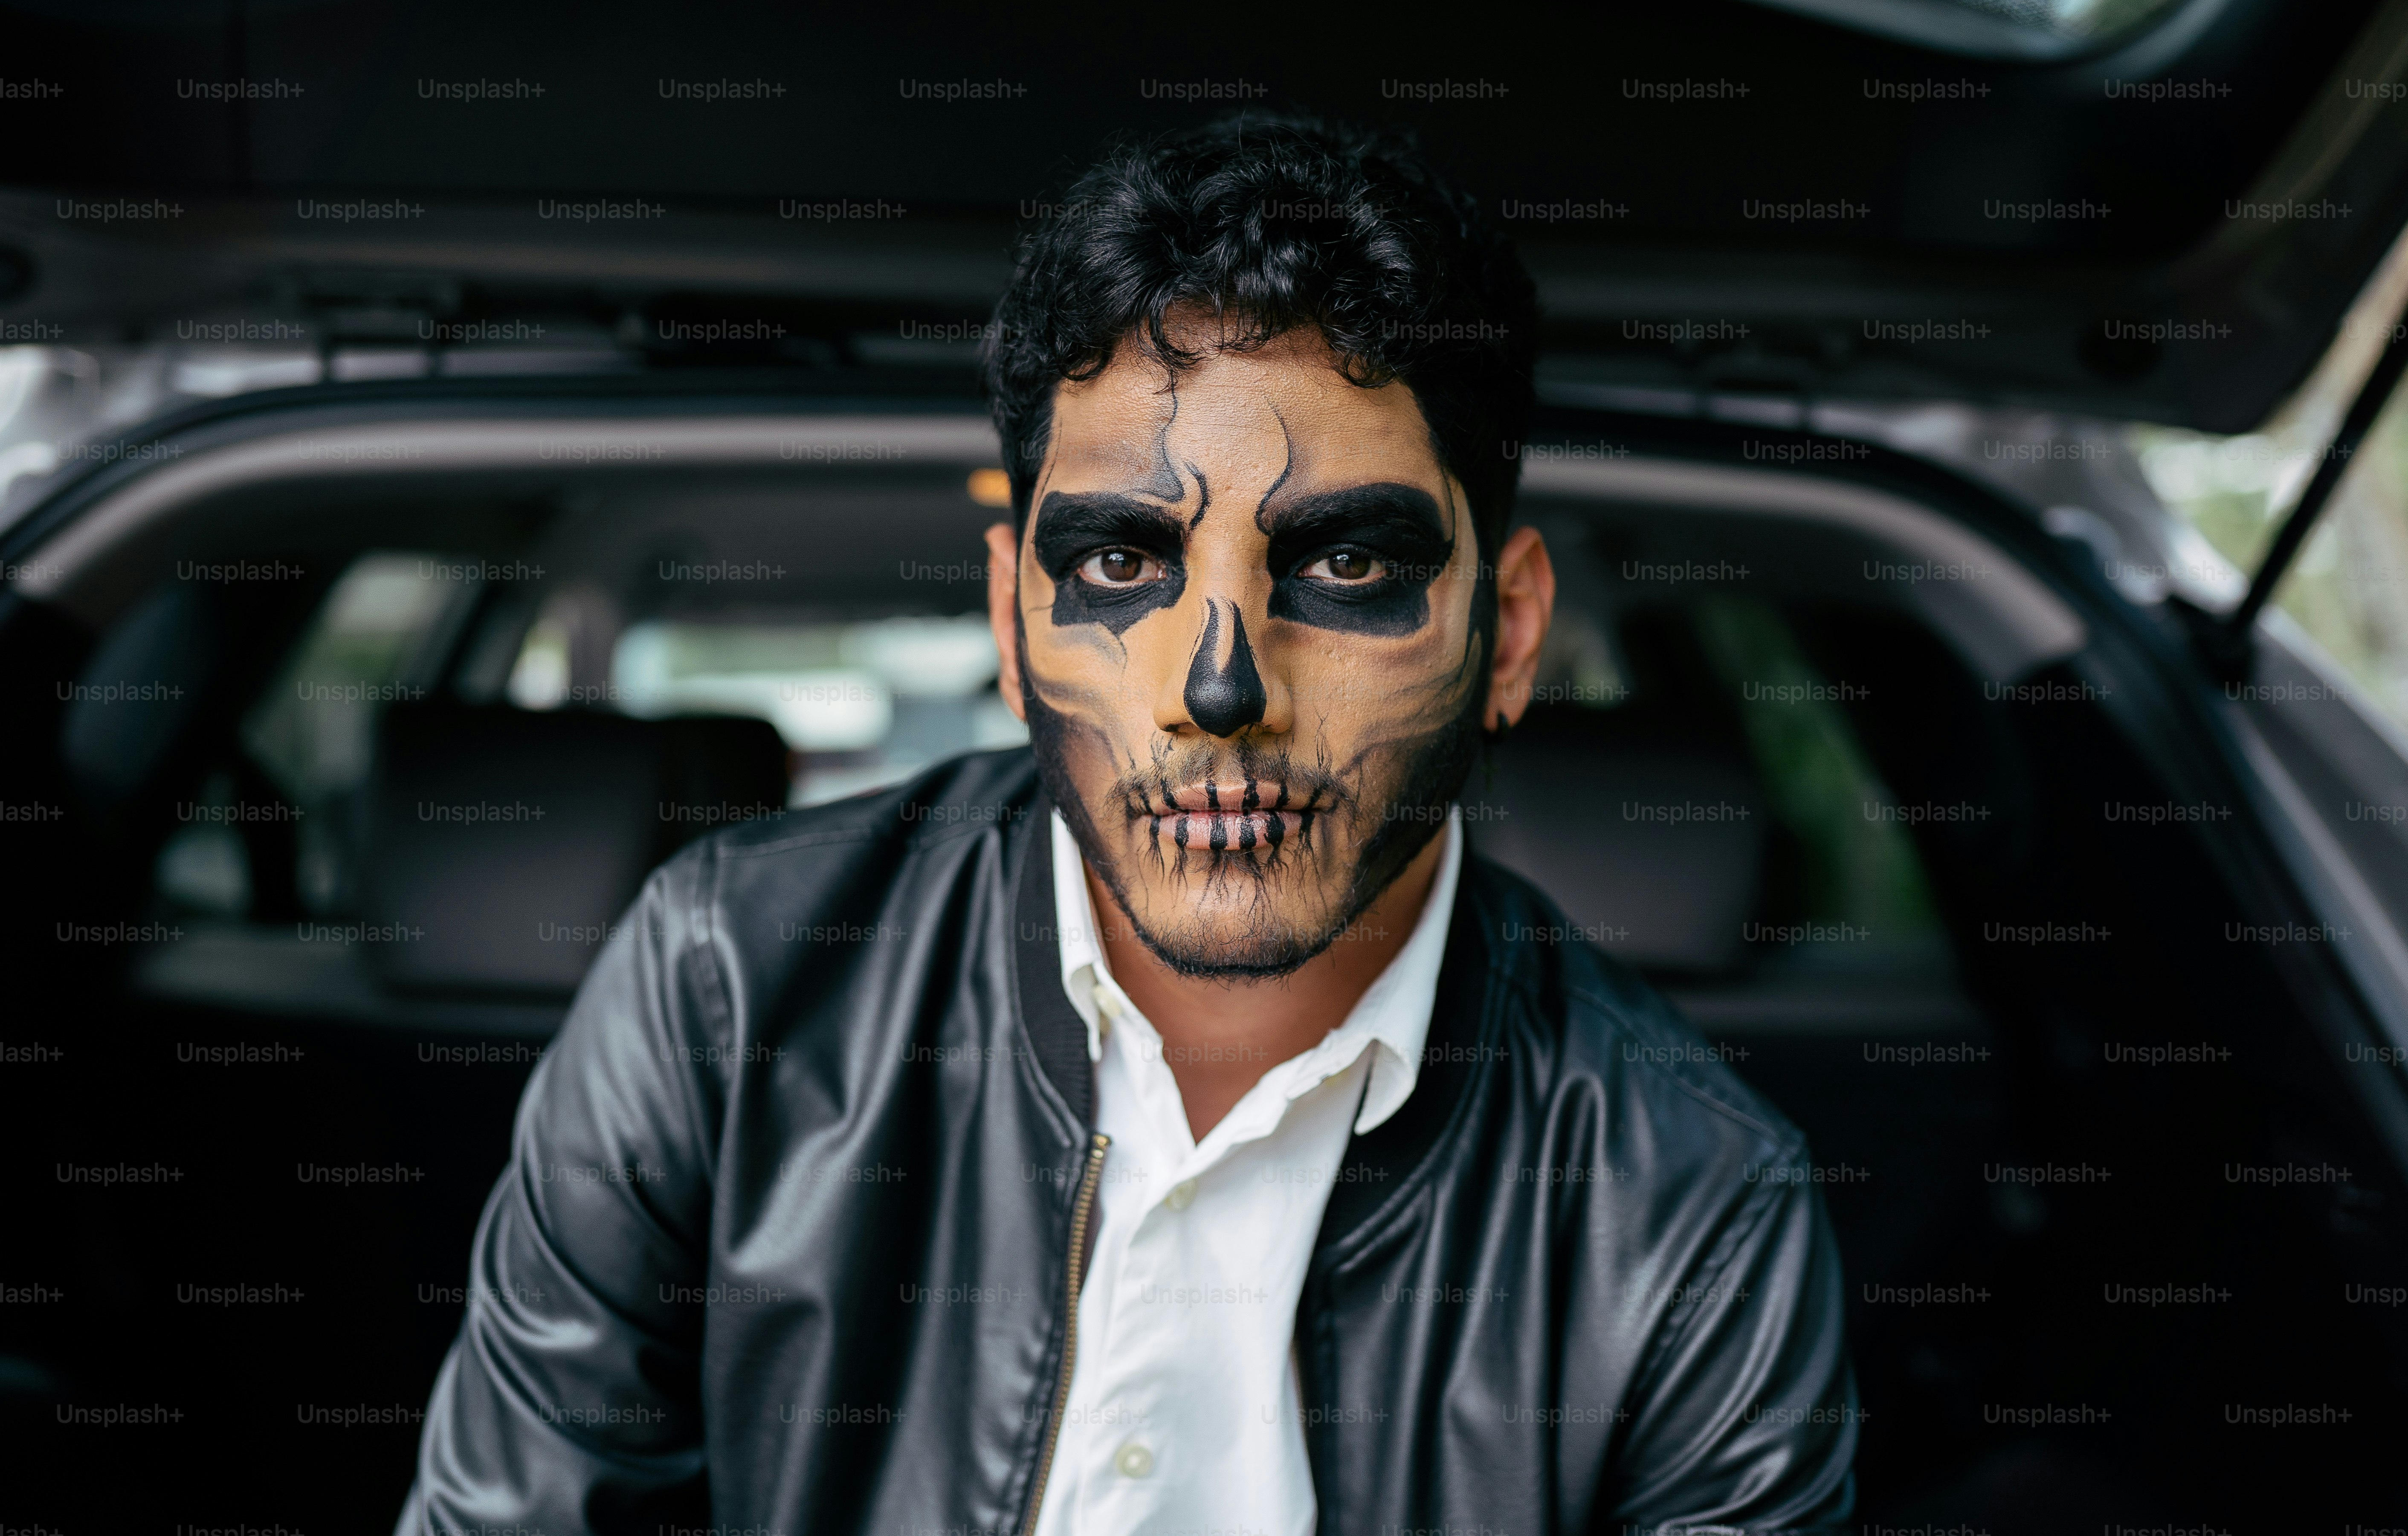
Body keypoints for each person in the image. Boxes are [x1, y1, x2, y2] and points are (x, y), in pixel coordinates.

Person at [398, 113, 1857, 1536]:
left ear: (1514, 629)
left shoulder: (1692, 1216)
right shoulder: (722, 990)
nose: (1217, 689)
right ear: (1009, 619)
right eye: (1116, 558)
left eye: (1348, 559)